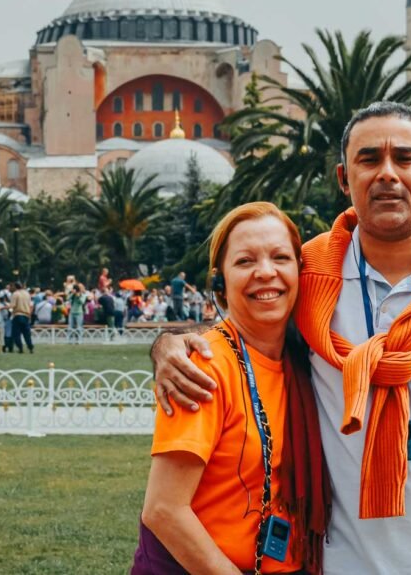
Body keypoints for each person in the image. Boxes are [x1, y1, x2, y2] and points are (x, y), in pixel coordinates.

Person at [152, 101, 411, 574]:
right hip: (347, 563)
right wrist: (166, 343)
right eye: (369, 160)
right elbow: (245, 324)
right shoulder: (310, 281)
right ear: (345, 179)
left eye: (404, 158)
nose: (387, 173)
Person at [134, 202, 329, 575]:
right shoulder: (204, 366)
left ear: (300, 272)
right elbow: (164, 509)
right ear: (220, 282)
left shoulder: (308, 359)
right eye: (245, 261)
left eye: (280, 257)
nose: (266, 272)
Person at [8, 282, 34, 353]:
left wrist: (4, 307)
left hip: (18, 315)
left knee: (16, 333)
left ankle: (20, 347)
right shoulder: (27, 294)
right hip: (26, 315)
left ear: (15, 287)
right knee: (27, 333)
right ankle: (30, 347)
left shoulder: (15, 294)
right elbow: (31, 305)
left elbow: (12, 305)